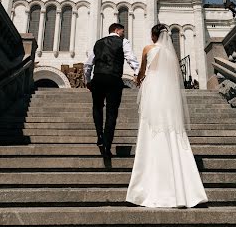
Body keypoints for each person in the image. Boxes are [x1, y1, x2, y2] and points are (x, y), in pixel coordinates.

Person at [126, 23, 208, 207]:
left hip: (153, 91)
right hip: (168, 95)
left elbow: (142, 71)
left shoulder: (149, 48)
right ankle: (183, 188)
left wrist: (138, 79)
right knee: (170, 128)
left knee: (151, 126)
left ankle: (150, 184)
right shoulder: (171, 54)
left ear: (153, 36)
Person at [84, 23, 139, 158]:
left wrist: (88, 80)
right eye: (122, 31)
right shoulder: (123, 42)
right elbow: (130, 58)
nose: (124, 33)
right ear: (116, 30)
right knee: (111, 113)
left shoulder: (98, 43)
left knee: (97, 107)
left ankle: (100, 136)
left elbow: (88, 63)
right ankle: (107, 145)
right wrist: (137, 72)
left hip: (98, 78)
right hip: (114, 79)